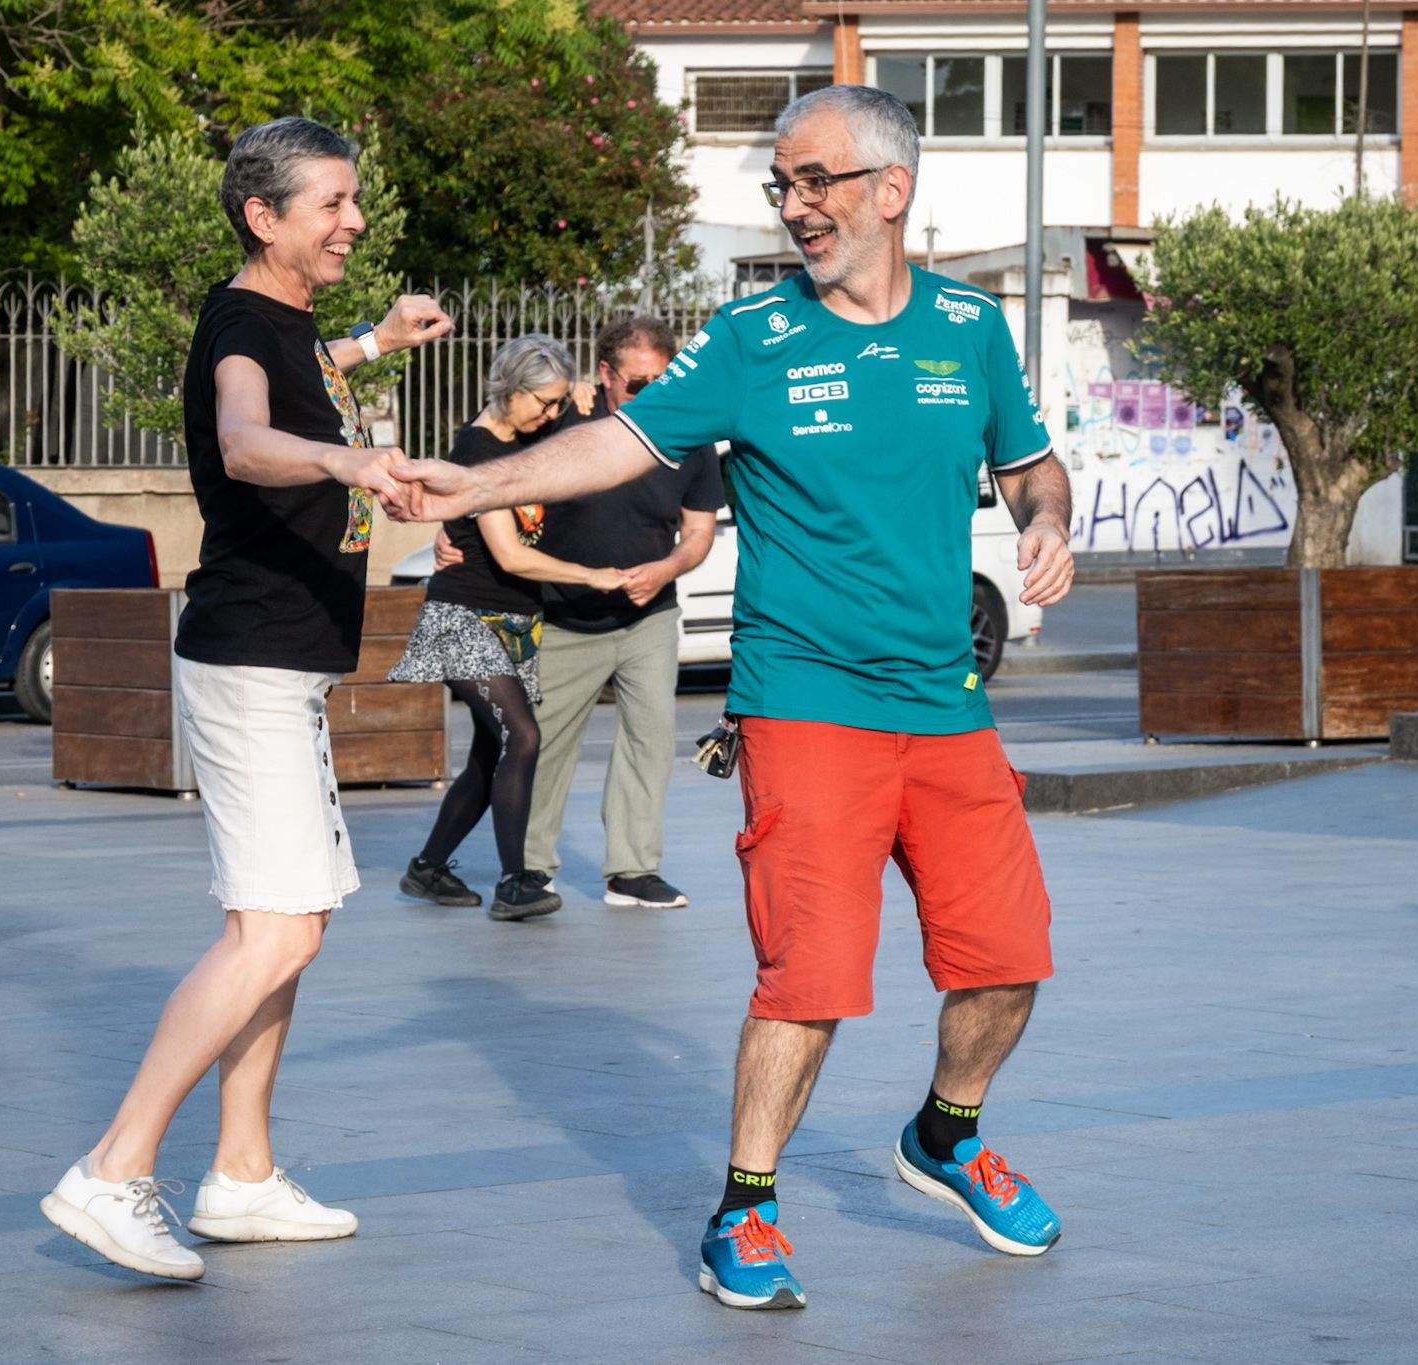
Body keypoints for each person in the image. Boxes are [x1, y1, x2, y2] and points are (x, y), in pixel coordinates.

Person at [391, 84, 1077, 1310]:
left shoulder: (970, 327)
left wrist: (1048, 521)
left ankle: (946, 1133)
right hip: (805, 703)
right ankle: (743, 1212)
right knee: (809, 978)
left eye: (815, 180)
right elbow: (623, 442)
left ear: (891, 189)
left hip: (945, 704)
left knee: (1007, 959)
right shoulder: (753, 338)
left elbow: (1029, 464)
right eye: (781, 183)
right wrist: (472, 485)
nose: (794, 205)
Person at [40, 116, 451, 1281]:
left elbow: (302, 381)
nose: (353, 221)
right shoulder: (238, 326)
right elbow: (243, 438)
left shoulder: (289, 326)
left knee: (280, 926)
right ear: (263, 217)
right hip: (251, 663)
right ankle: (112, 1169)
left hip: (281, 663)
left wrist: (377, 341)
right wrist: (346, 460)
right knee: (278, 928)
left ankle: (242, 1173)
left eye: (352, 199)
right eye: (331, 203)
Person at [432, 314, 723, 910]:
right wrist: (453, 527)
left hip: (650, 616)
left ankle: (633, 871)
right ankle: (530, 868)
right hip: (564, 615)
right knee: (543, 744)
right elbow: (490, 461)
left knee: (650, 740)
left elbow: (698, 534)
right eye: (637, 384)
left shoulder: (690, 439)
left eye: (662, 381)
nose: (651, 394)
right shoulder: (563, 418)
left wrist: (667, 568)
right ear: (606, 374)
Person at [389, 335, 628, 923]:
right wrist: (592, 577)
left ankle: (428, 868)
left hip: (514, 622)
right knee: (522, 736)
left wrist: (577, 395)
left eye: (556, 403)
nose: (551, 414)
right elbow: (511, 555)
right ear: (510, 390)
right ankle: (515, 881)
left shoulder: (527, 431)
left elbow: (576, 421)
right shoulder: (480, 451)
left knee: (490, 751)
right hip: (464, 615)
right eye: (543, 403)